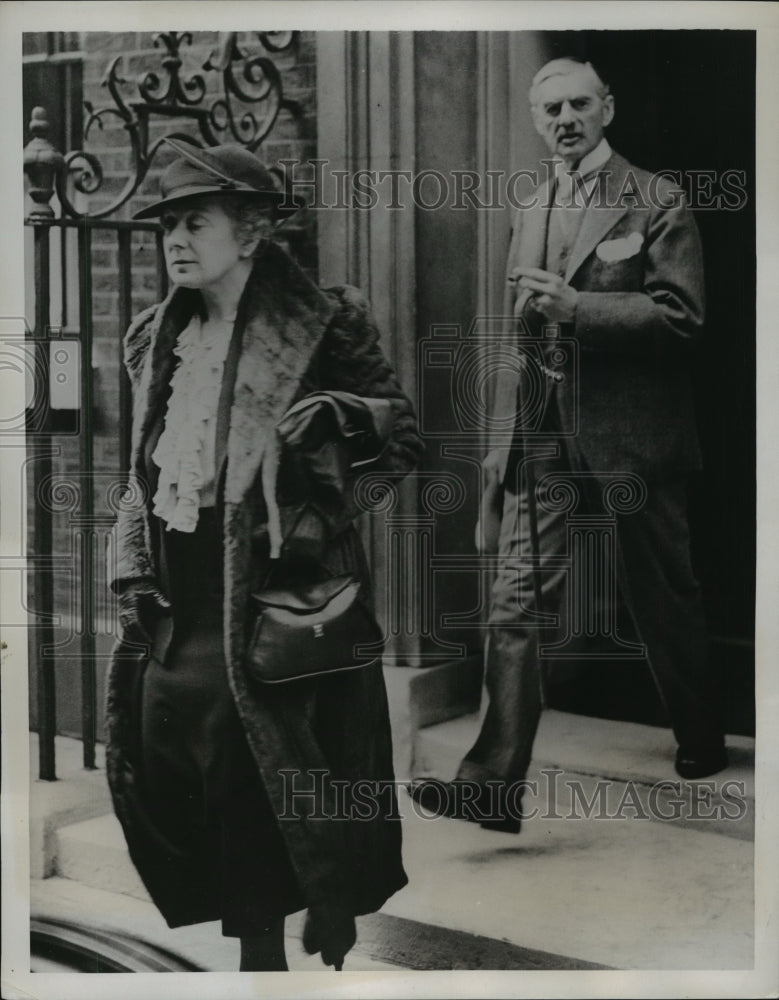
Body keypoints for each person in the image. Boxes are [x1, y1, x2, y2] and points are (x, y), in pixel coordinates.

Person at [105, 140, 423, 970]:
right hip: (182, 601)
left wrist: (317, 494)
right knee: (196, 784)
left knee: (269, 791)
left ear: (248, 232)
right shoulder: (152, 339)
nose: (176, 238)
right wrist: (133, 558)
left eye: (194, 221)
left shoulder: (325, 321)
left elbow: (400, 439)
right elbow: (138, 474)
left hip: (281, 604)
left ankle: (269, 967)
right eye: (168, 223)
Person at [412, 57, 727, 834]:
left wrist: (579, 303)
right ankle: (490, 784)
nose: (565, 119)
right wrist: (498, 443)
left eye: (579, 104)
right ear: (533, 117)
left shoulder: (656, 197)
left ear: (606, 108)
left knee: (662, 595)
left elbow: (683, 318)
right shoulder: (530, 204)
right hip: (542, 436)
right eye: (550, 108)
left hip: (632, 441)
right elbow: (514, 340)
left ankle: (699, 735)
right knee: (513, 603)